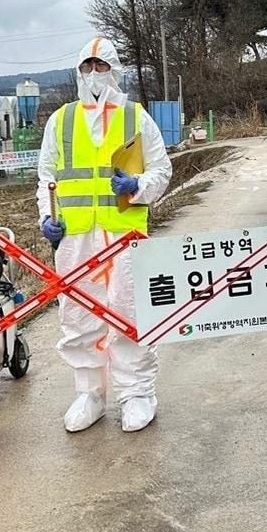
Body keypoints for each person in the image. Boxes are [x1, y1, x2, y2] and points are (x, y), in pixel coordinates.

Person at [37, 37, 172, 433]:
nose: (94, 75)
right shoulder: (60, 120)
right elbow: (47, 177)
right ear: (78, 71)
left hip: (124, 233)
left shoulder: (136, 117)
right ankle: (90, 393)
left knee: (130, 311)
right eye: (87, 67)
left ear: (115, 70)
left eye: (101, 66)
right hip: (76, 236)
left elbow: (161, 171)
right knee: (79, 314)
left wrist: (137, 185)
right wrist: (48, 217)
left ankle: (137, 393)